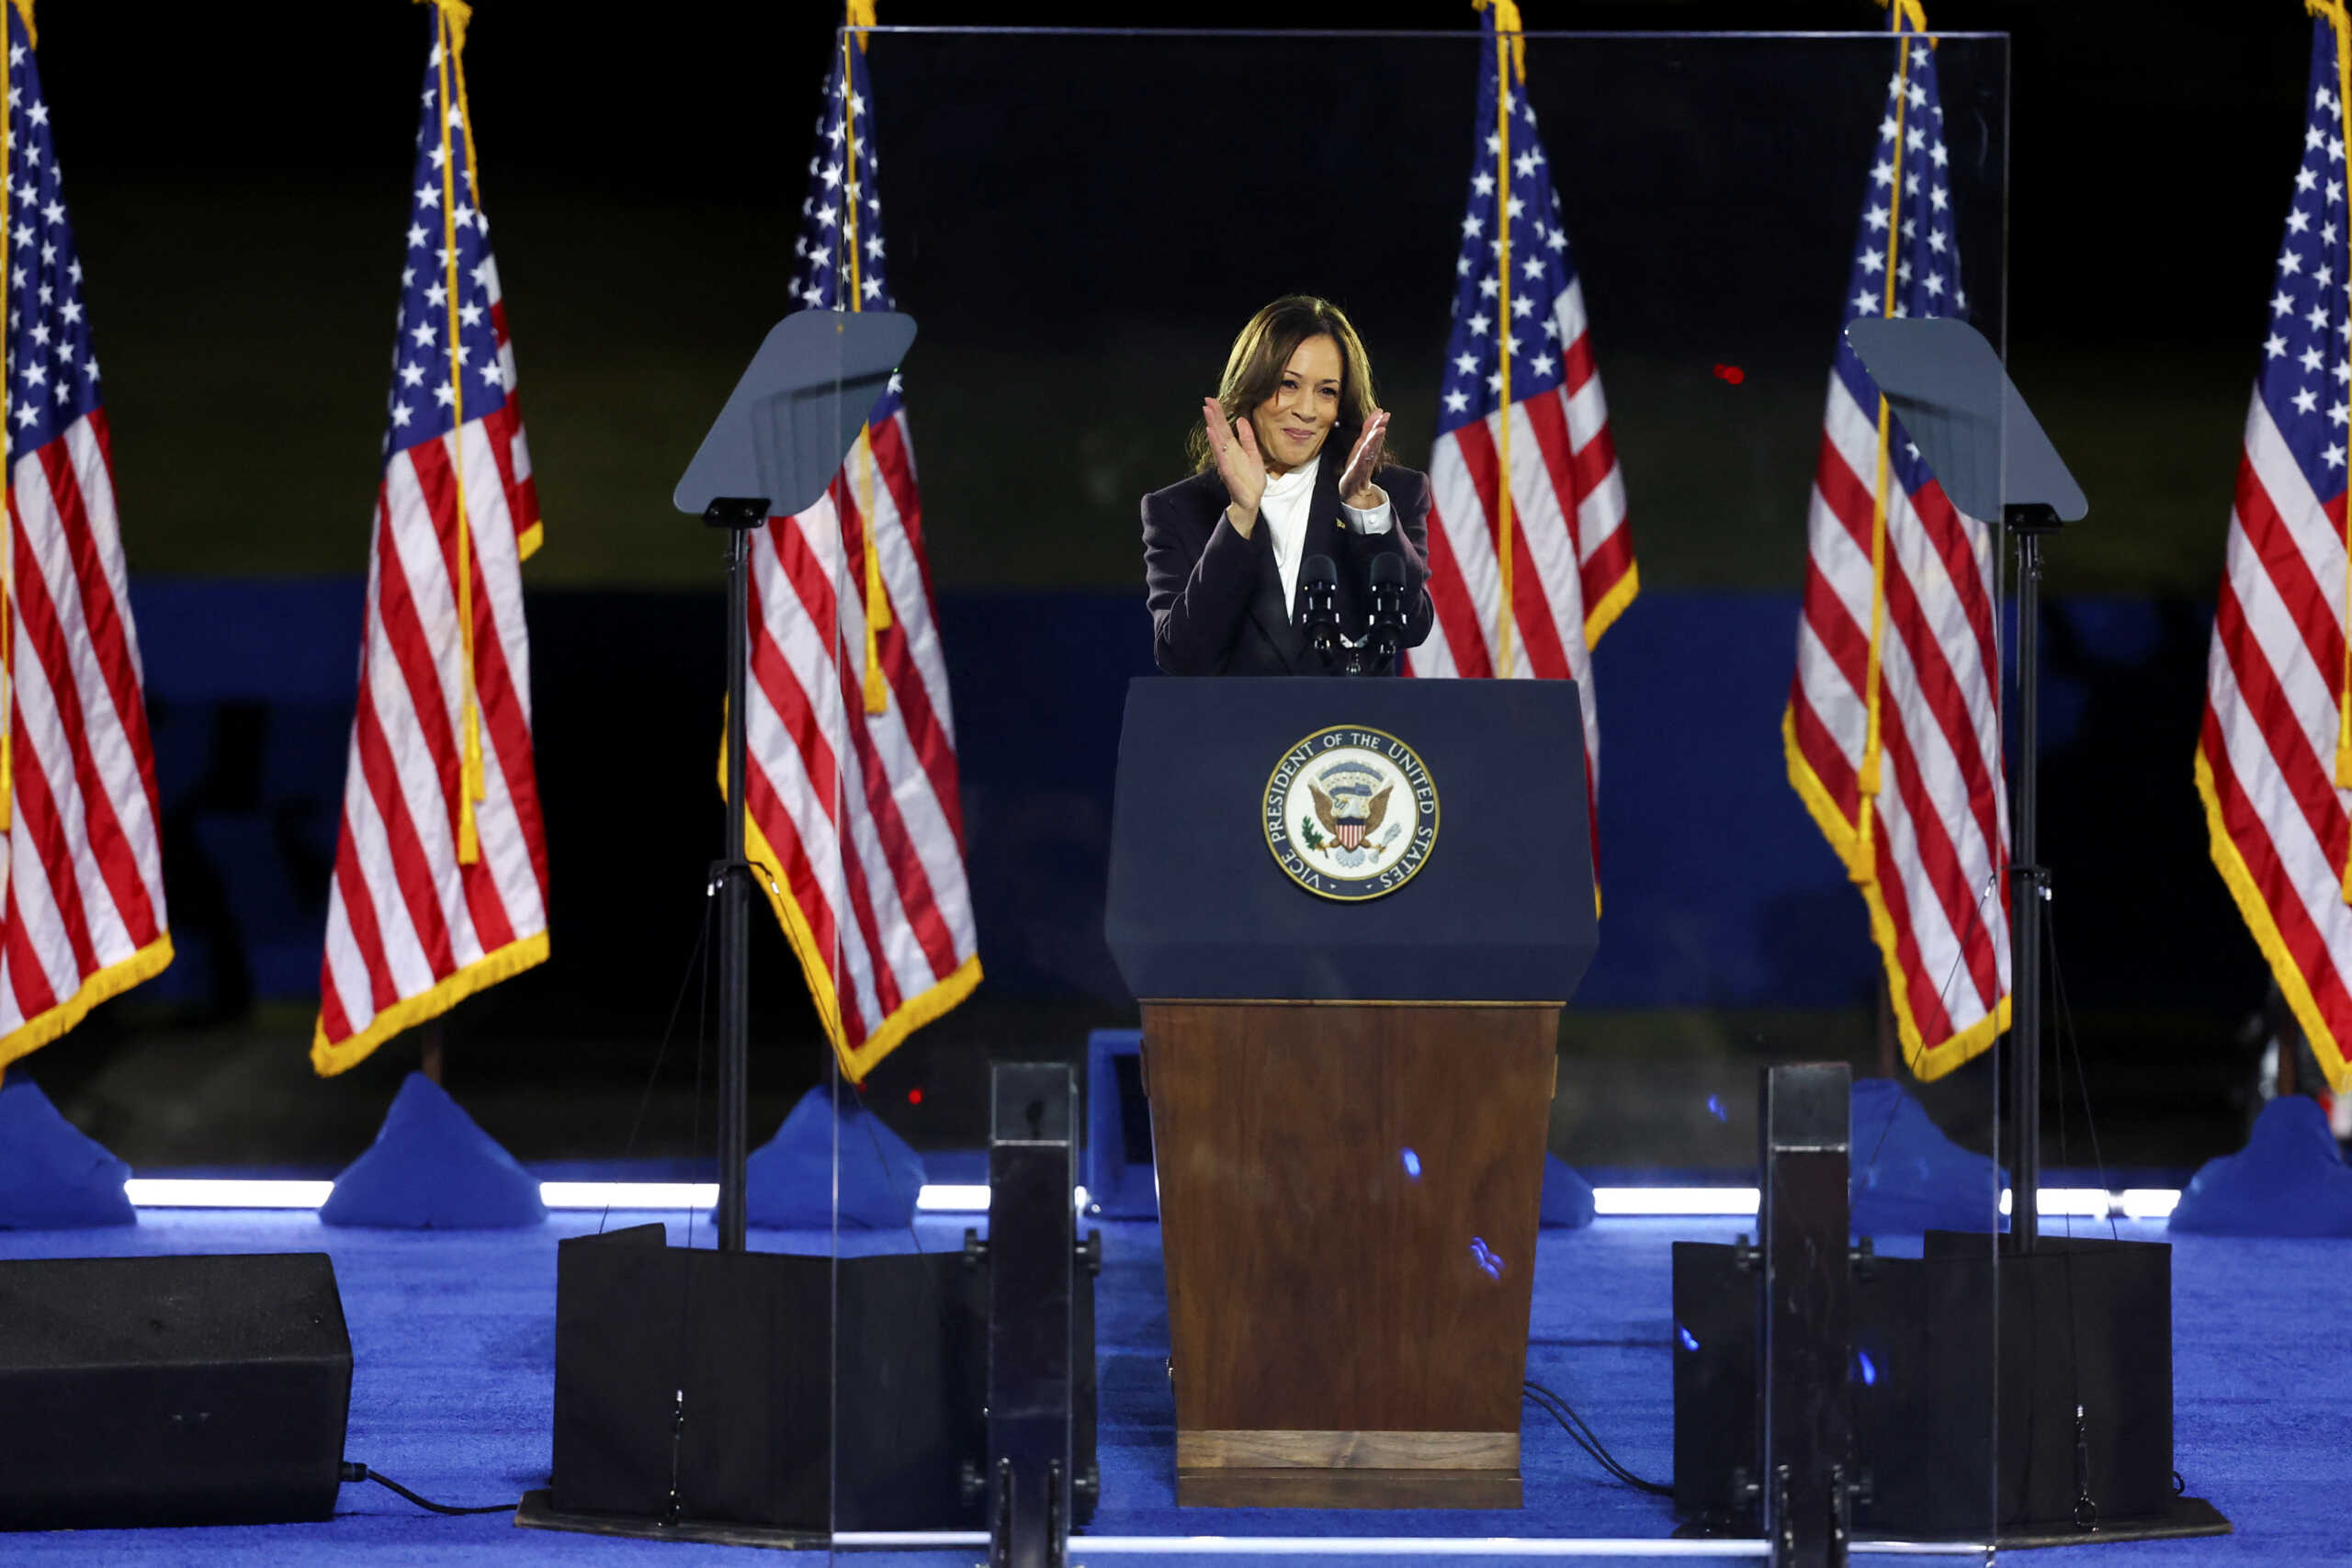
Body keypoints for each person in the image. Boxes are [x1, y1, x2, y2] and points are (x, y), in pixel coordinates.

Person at [1141, 296, 1433, 675]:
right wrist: (1241, 516)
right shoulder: (1178, 508)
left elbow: (1412, 625)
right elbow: (1182, 656)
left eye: (1326, 391)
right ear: (1252, 385)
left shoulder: (1389, 494)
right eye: (1288, 384)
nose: (1307, 410)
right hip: (1238, 733)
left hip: (1347, 732)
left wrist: (1365, 511)